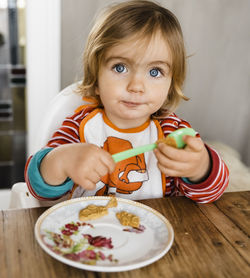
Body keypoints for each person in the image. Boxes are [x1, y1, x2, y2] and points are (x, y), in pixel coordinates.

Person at [25, 0, 229, 203]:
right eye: (120, 68)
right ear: (96, 79)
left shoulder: (173, 132)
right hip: (86, 231)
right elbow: (37, 190)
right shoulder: (79, 126)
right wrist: (62, 161)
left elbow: (210, 193)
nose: (136, 86)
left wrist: (200, 167)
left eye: (155, 71)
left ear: (170, 84)